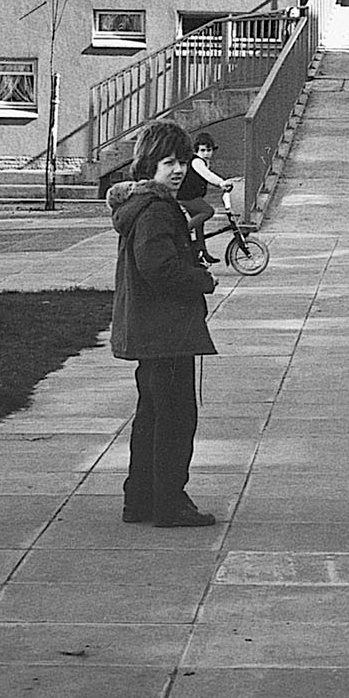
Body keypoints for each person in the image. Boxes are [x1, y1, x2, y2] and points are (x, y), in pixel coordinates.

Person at [108, 121, 220, 528]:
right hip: (166, 331)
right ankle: (168, 503)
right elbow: (158, 268)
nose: (177, 170)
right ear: (148, 165)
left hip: (152, 330)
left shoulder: (145, 206)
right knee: (175, 419)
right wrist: (201, 279)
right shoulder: (156, 210)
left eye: (182, 162)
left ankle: (140, 499)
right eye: (167, 162)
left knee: (152, 416)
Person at [177, 132, 236, 263]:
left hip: (192, 196)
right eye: (202, 150)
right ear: (196, 150)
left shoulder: (203, 161)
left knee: (200, 224)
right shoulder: (197, 161)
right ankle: (181, 231)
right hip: (187, 197)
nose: (206, 153)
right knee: (208, 211)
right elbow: (207, 175)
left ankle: (202, 252)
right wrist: (221, 183)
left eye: (208, 150)